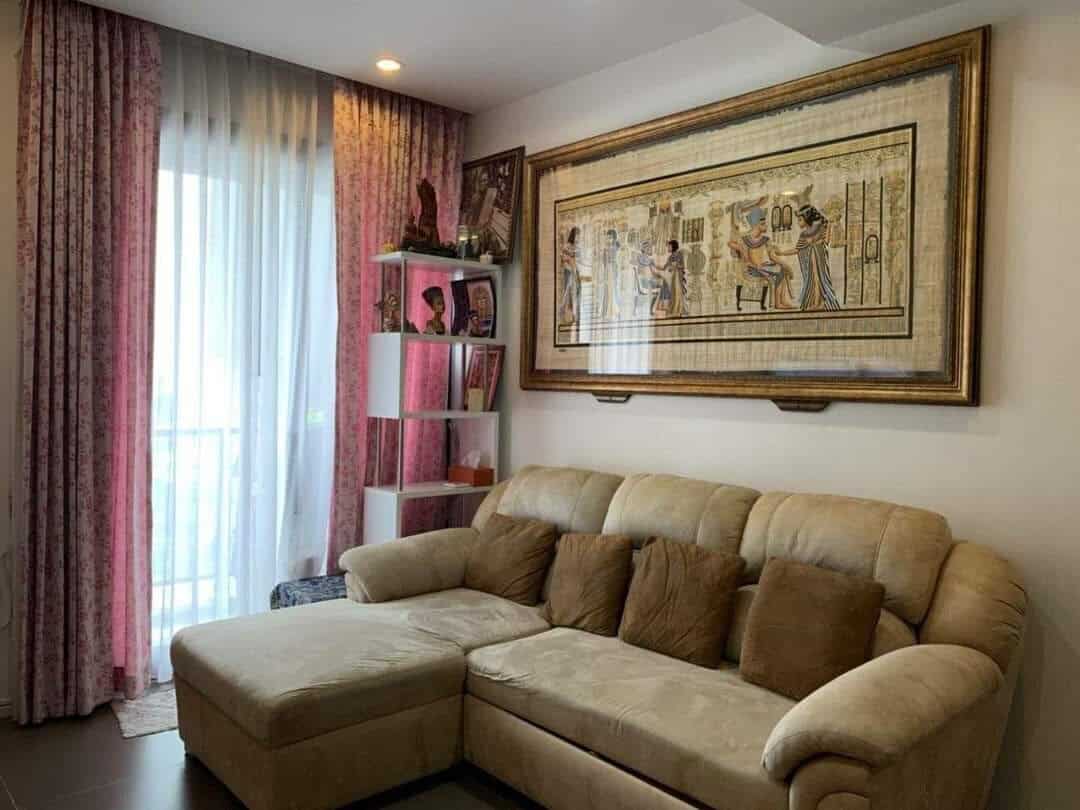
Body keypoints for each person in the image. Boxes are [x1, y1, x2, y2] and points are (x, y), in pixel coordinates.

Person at [727, 207, 796, 310]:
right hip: (751, 269)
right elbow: (730, 243)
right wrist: (741, 249)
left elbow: (772, 257)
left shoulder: (765, 239)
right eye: (763, 224)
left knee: (782, 269)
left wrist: (785, 265)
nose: (766, 225)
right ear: (756, 225)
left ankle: (782, 300)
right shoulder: (745, 239)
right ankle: (778, 303)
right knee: (780, 271)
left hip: (762, 267)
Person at [776, 204, 842, 311]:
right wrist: (782, 253)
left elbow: (826, 241)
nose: (798, 223)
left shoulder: (819, 228)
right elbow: (797, 249)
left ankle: (819, 302)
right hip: (811, 259)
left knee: (819, 279)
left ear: (807, 219)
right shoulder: (804, 234)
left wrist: (829, 226)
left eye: (800, 220)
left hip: (819, 256)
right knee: (813, 280)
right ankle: (816, 302)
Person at [650, 239, 688, 317]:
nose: (668, 248)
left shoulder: (679, 254)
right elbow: (664, 267)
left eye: (669, 246)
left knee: (678, 292)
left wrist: (675, 266)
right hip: (672, 277)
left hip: (678, 276)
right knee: (673, 293)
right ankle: (674, 310)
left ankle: (680, 310)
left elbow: (682, 266)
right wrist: (654, 265)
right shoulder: (670, 257)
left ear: (673, 246)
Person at [558, 226, 582, 326]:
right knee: (567, 294)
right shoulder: (567, 246)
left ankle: (573, 315)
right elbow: (563, 259)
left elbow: (578, 260)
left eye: (579, 235)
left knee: (575, 293)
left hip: (575, 272)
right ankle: (564, 316)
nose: (578, 237)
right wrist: (570, 262)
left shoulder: (577, 247)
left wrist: (575, 267)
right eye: (577, 235)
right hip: (568, 272)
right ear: (573, 235)